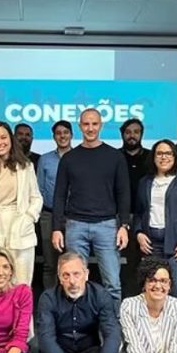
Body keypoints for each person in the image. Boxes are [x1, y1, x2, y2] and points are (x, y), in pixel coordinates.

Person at [52, 108, 131, 303]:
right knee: (74, 282)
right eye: (86, 124)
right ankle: (77, 320)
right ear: (80, 126)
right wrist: (56, 228)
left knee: (112, 283)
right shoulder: (69, 158)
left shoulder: (115, 156)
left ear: (101, 126)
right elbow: (59, 195)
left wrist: (124, 225)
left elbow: (123, 192)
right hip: (75, 225)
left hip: (107, 226)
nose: (90, 128)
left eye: (94, 124)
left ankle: (112, 322)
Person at [0, 121, 42, 286]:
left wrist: (28, 218)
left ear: (11, 139)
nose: (0, 142)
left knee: (20, 281)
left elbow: (36, 198)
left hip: (19, 226)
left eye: (3, 137)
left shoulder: (26, 166)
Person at [134, 140, 177, 300]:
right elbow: (139, 212)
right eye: (159, 153)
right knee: (153, 292)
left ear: (175, 156)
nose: (163, 157)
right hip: (152, 245)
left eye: (168, 153)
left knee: (176, 293)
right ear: (153, 157)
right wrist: (138, 233)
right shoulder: (145, 181)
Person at [36, 120, 73, 289]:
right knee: (50, 263)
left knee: (72, 262)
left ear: (71, 135)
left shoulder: (79, 157)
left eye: (65, 132)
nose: (62, 136)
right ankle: (50, 299)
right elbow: (40, 188)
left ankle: (69, 297)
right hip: (49, 215)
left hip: (73, 216)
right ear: (53, 137)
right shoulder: (45, 159)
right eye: (58, 133)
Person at [119, 118, 151, 298]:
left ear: (141, 134)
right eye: (128, 132)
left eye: (136, 132)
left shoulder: (151, 158)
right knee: (117, 263)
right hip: (118, 216)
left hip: (143, 217)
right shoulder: (115, 157)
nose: (132, 135)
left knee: (141, 263)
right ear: (122, 134)